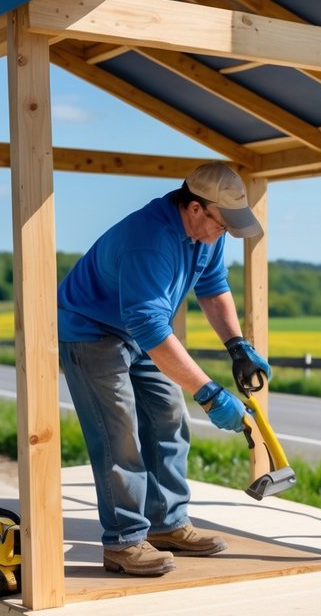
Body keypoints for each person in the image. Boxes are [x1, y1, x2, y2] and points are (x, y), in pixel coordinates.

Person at [57, 162, 271, 577]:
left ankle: (167, 524)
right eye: (221, 224)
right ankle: (124, 541)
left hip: (138, 331)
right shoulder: (149, 240)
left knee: (170, 417)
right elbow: (151, 327)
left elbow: (213, 288)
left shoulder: (207, 234)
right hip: (91, 332)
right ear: (195, 208)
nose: (222, 233)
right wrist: (209, 391)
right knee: (119, 432)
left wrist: (238, 346)